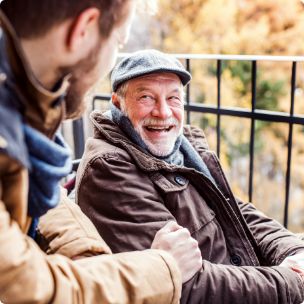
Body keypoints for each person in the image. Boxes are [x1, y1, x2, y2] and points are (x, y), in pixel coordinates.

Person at [0, 2, 203, 303]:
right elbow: (25, 286)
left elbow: (45, 198)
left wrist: (88, 255)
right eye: (118, 43)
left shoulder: (18, 103)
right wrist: (162, 267)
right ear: (83, 29)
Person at [76, 49, 304, 304]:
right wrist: (290, 282)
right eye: (146, 97)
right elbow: (185, 286)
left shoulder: (182, 147)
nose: (163, 112)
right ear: (117, 103)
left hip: (248, 280)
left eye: (173, 98)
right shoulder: (109, 169)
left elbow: (231, 208)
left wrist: (293, 250)